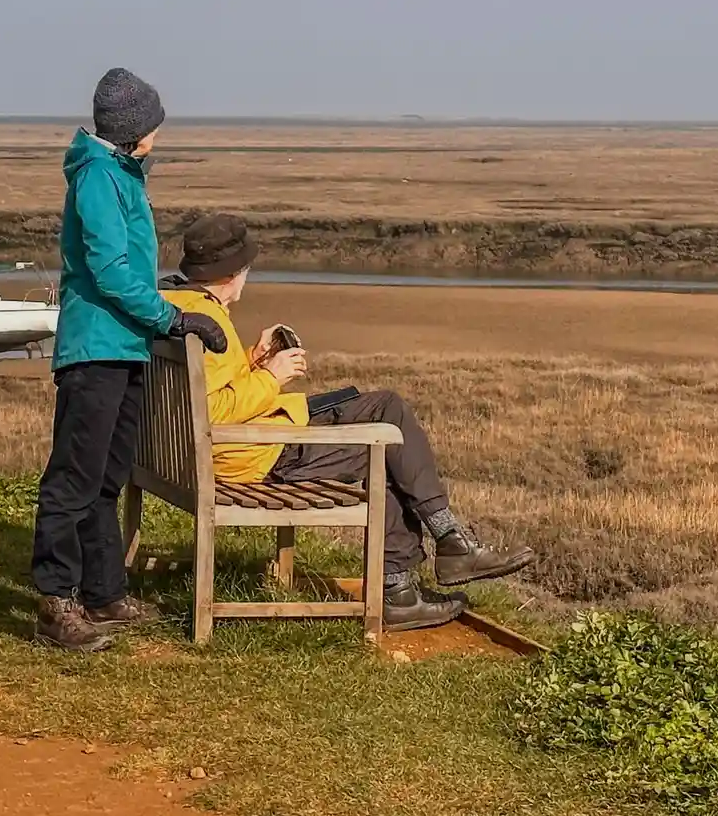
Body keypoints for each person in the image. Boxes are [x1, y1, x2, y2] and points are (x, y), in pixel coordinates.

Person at [158, 213, 536, 631]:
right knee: (387, 441)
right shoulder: (209, 321)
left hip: (229, 449)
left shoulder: (177, 307)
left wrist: (252, 360)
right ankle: (414, 577)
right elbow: (212, 413)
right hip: (251, 456)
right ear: (233, 273)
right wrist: (272, 375)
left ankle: (435, 558)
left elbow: (203, 391)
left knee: (382, 409)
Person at [30, 68, 230, 652]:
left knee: (105, 477)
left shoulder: (118, 173)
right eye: (154, 126)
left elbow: (125, 267)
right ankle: (54, 600)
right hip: (96, 347)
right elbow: (110, 272)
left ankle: (103, 592)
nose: (158, 136)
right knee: (73, 477)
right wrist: (172, 317)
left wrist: (158, 299)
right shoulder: (98, 176)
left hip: (121, 346)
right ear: (133, 129)